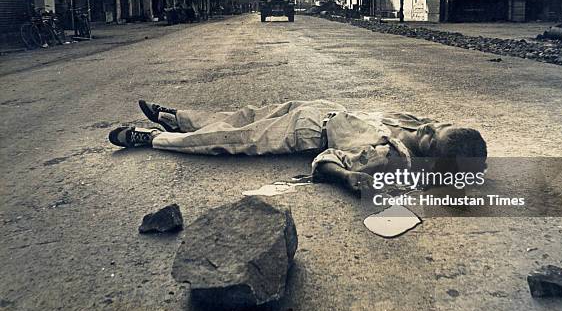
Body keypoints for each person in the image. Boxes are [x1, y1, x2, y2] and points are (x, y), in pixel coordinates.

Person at [108, 100, 487, 193]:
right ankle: (177, 118)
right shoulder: (413, 124)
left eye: (432, 133)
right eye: (440, 123)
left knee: (233, 139)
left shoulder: (389, 157)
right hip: (320, 107)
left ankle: (151, 138)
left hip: (308, 133)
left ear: (428, 152)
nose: (429, 124)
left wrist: (347, 178)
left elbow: (326, 159)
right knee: (245, 116)